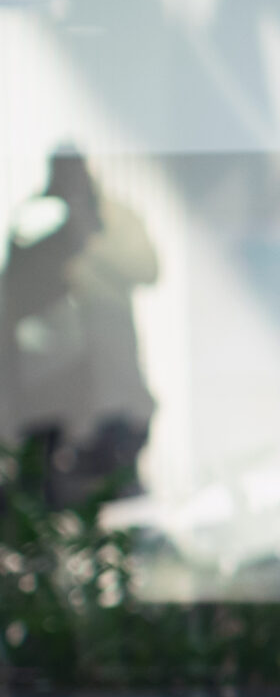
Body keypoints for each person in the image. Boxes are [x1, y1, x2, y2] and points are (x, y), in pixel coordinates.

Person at [0, 146, 158, 505]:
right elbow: (14, 299)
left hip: (115, 394)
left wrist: (92, 239)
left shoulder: (112, 219)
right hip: (49, 396)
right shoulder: (35, 219)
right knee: (50, 500)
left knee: (120, 498)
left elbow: (148, 270)